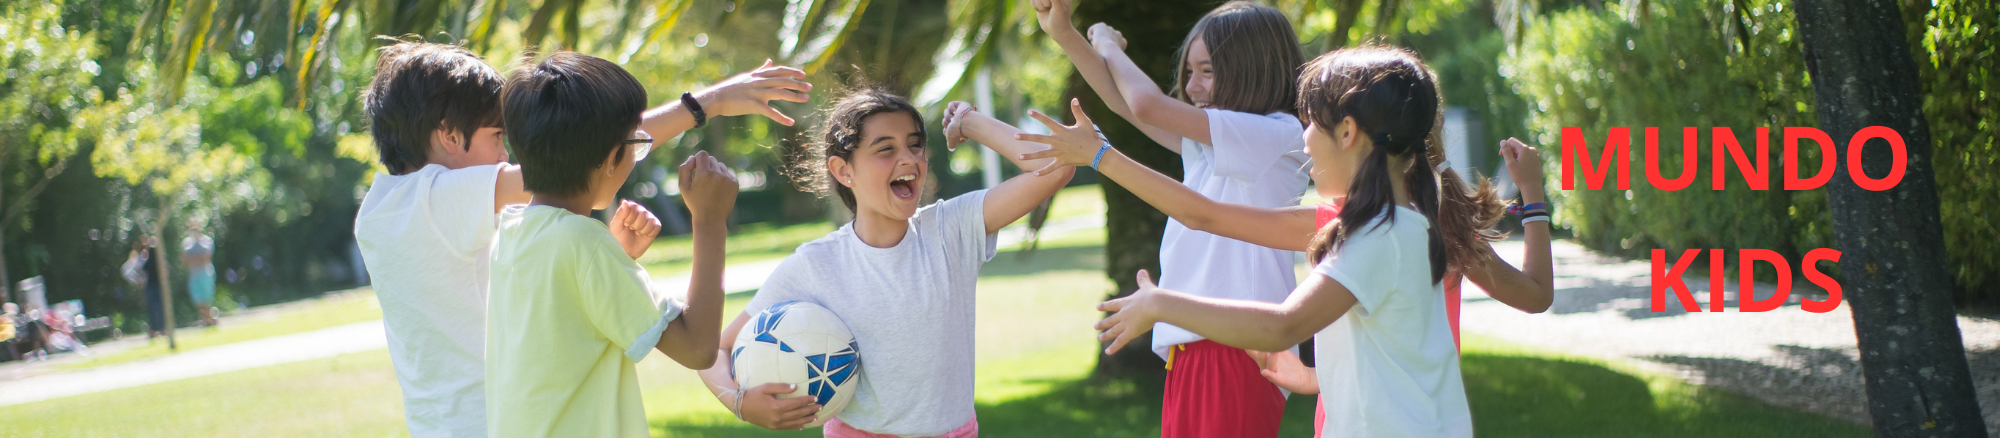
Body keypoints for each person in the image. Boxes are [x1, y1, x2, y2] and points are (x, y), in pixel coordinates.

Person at [352, 40, 810, 438]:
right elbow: (573, 148)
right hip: (487, 423)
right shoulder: (432, 201)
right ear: (449, 136)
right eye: (498, 137)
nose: (507, 154)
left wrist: (604, 258)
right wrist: (705, 107)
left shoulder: (388, 211)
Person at [1088, 46, 1479, 437]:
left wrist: (1161, 303)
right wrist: (1313, 376)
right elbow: (1394, 353)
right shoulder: (1404, 227)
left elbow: (1283, 326)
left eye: (1310, 124)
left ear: (1347, 132)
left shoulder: (1377, 238)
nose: (1304, 141)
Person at [693, 90, 1073, 437]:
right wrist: (739, 403)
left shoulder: (951, 229)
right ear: (844, 171)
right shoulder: (816, 264)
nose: (909, 159)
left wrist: (970, 122)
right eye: (885, 149)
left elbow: (1059, 166)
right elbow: (713, 352)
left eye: (915, 145)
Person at [1030, 1, 1312, 435]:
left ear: (1253, 67)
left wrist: (1107, 43)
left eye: (1207, 71)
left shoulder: (1274, 133)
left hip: (1237, 347)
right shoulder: (1218, 143)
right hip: (1194, 343)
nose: (1192, 86)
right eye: (1188, 72)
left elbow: (1146, 105)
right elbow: (1126, 104)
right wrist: (1064, 32)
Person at [481, 51, 738, 437]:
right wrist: (710, 220)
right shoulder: (585, 244)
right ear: (608, 158)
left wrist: (614, 257)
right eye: (636, 141)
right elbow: (698, 348)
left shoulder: (513, 230)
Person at [181, 222, 218, 327]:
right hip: (194, 275)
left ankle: (208, 320)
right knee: (198, 299)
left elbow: (205, 258)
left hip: (205, 273)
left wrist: (193, 258)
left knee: (206, 298)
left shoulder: (207, 241)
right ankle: (208, 319)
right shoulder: (186, 243)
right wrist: (196, 258)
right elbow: (184, 260)